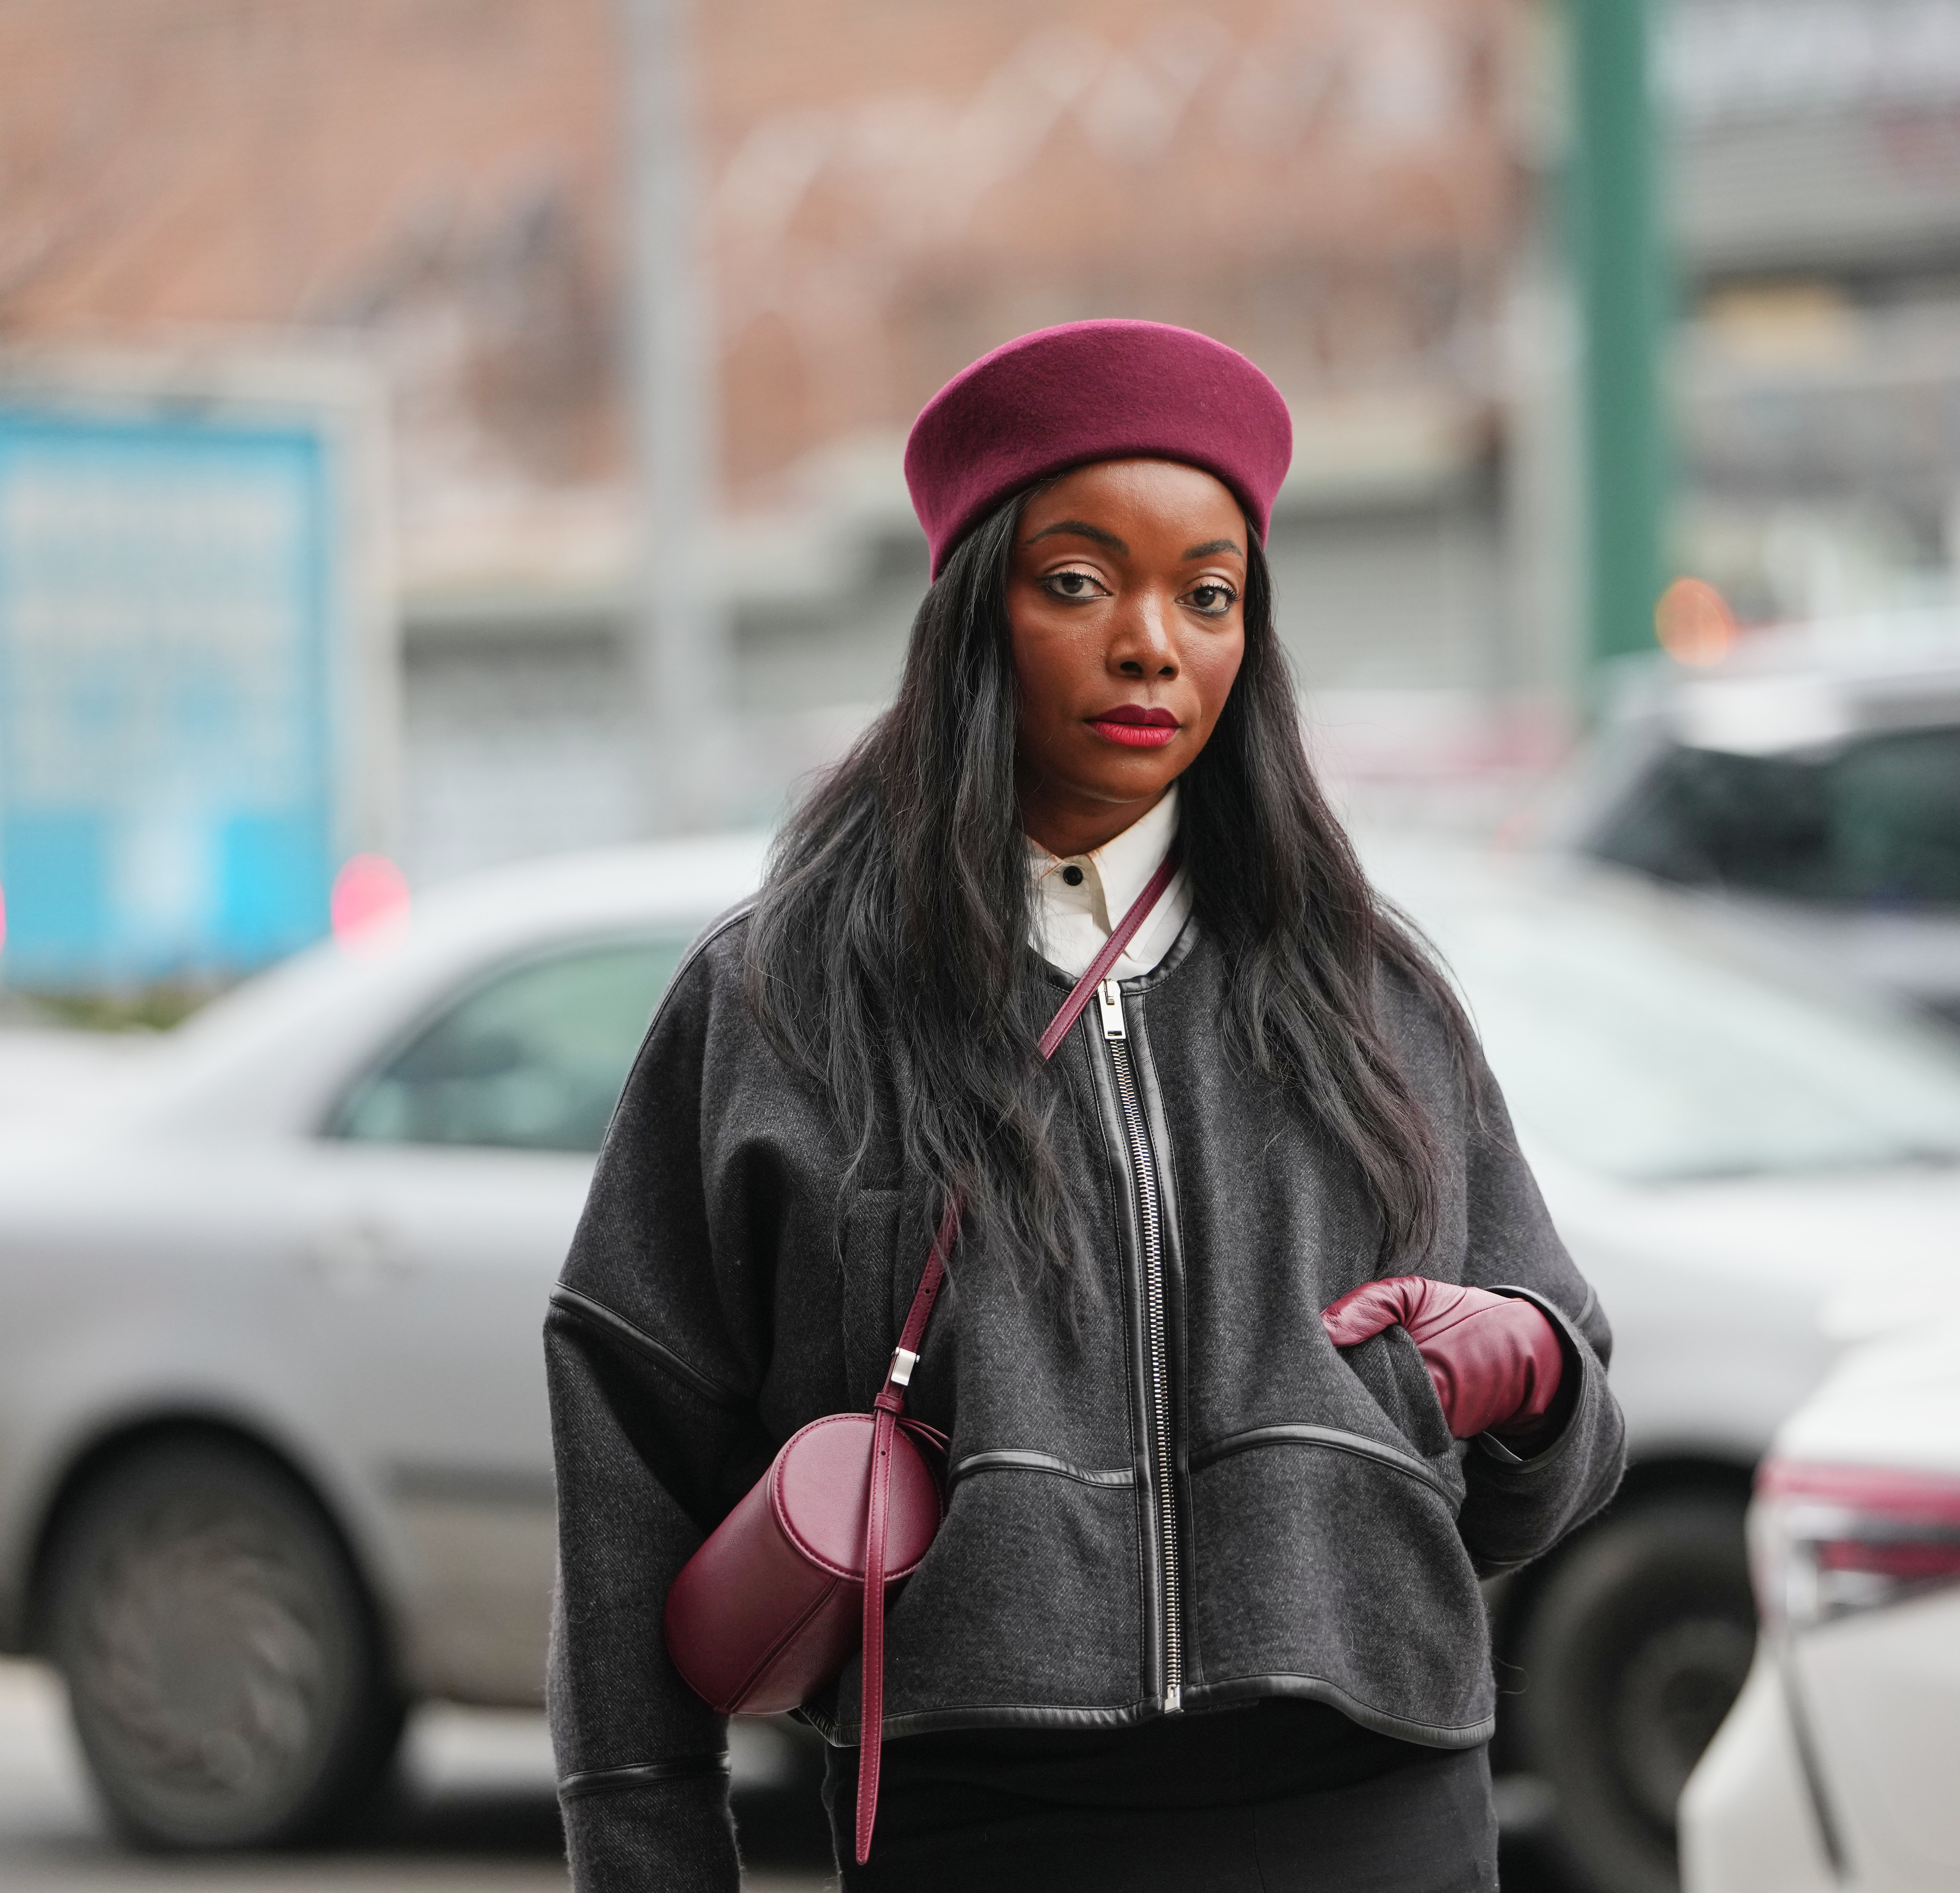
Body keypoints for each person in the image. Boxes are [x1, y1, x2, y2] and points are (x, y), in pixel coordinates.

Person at [543, 319, 1625, 1893]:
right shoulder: (780, 1006)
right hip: (985, 1824)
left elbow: (1558, 1449)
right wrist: (645, 1850)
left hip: (1373, 1802)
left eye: (1208, 592)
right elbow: (628, 1438)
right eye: (1078, 580)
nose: (1151, 642)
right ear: (974, 612)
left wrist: (1527, 1371)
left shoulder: (1369, 994)